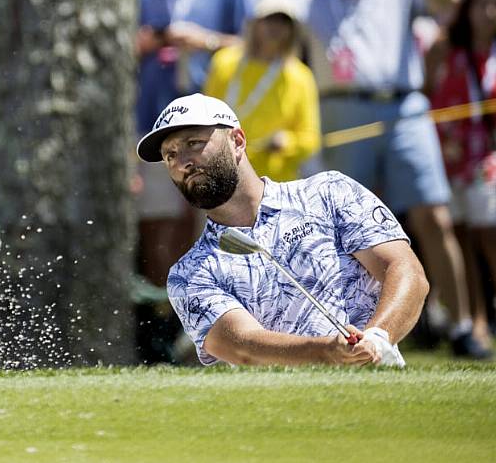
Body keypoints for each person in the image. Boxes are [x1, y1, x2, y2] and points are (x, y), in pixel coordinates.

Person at [291, 0, 489, 358]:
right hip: (340, 107)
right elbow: (264, 6)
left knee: (433, 217)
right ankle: (344, 328)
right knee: (339, 226)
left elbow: (450, 0)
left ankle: (461, 327)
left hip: (404, 105)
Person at [136, 93, 430, 366]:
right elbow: (244, 346)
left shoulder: (329, 192)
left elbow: (405, 270)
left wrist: (378, 339)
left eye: (193, 144)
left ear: (237, 141)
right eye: (170, 155)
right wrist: (328, 351)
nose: (183, 162)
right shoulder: (188, 275)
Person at [136, 0, 253, 291]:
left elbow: (256, 46)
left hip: (213, 123)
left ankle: (220, 306)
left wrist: (205, 41)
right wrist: (148, 43)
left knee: (214, 217)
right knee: (158, 218)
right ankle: (166, 316)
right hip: (152, 118)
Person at [425, 0, 496, 354]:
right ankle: (477, 321)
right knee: (462, 241)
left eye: (493, 4)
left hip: (487, 159)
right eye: (480, 4)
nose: (487, 12)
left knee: (490, 237)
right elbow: (427, 91)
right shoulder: (447, 49)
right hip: (446, 156)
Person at [204, 0, 320, 181]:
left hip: (275, 182)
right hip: (222, 175)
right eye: (269, 19)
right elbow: (204, 118)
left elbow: (311, 139)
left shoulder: (300, 76)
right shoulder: (223, 62)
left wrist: (287, 142)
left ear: (293, 30)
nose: (276, 26)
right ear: (254, 23)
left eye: (284, 21)